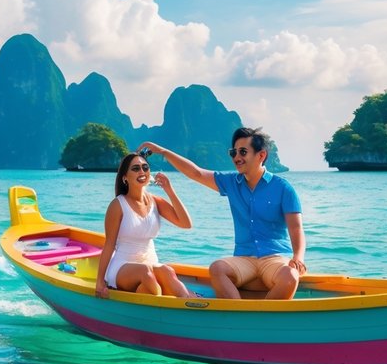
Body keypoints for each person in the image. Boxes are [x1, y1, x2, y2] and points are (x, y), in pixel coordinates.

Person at [137, 128, 306, 300]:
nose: (236, 158)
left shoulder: (283, 188)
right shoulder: (231, 182)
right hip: (244, 259)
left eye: (243, 152)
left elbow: (296, 228)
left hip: (275, 258)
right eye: (233, 152)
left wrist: (298, 258)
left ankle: (261, 318)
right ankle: (238, 315)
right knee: (217, 269)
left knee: (290, 277)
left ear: (261, 156)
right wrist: (163, 152)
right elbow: (196, 173)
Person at [95, 150, 194, 299]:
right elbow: (109, 244)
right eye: (135, 168)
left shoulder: (155, 201)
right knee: (146, 273)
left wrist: (169, 190)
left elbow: (186, 223)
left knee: (167, 271)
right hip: (122, 266)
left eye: (145, 167)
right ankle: (160, 304)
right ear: (125, 178)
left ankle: (191, 304)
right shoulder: (118, 205)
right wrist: (100, 281)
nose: (142, 171)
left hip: (150, 263)